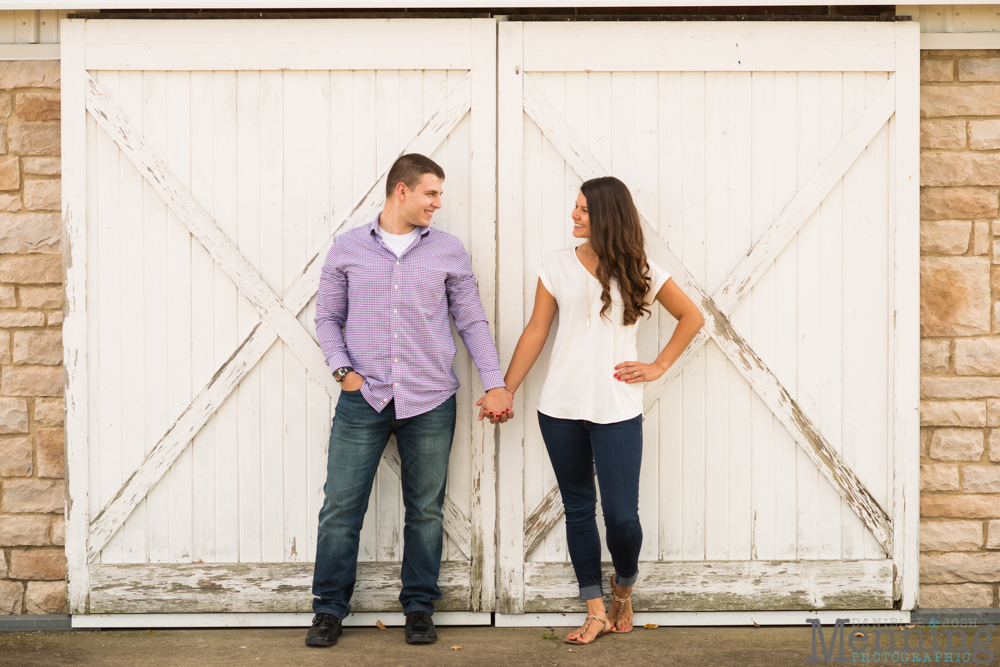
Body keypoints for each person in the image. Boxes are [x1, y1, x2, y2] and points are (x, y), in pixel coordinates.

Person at [308, 153, 511, 648]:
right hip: (365, 398)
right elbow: (326, 317)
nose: (438, 204)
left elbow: (471, 321)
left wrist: (496, 381)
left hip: (430, 398)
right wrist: (344, 374)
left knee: (425, 510)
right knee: (340, 507)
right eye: (431, 193)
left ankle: (419, 607)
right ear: (402, 191)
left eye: (439, 195)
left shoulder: (448, 251)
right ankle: (328, 610)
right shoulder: (349, 248)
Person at [495, 176, 704, 645]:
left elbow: (692, 317)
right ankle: (594, 611)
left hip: (617, 410)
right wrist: (505, 388)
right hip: (559, 409)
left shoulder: (642, 269)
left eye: (583, 209)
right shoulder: (555, 265)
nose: (574, 215)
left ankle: (623, 587)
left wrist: (658, 365)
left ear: (607, 216)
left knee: (623, 518)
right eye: (575, 206)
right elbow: (535, 332)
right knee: (578, 510)